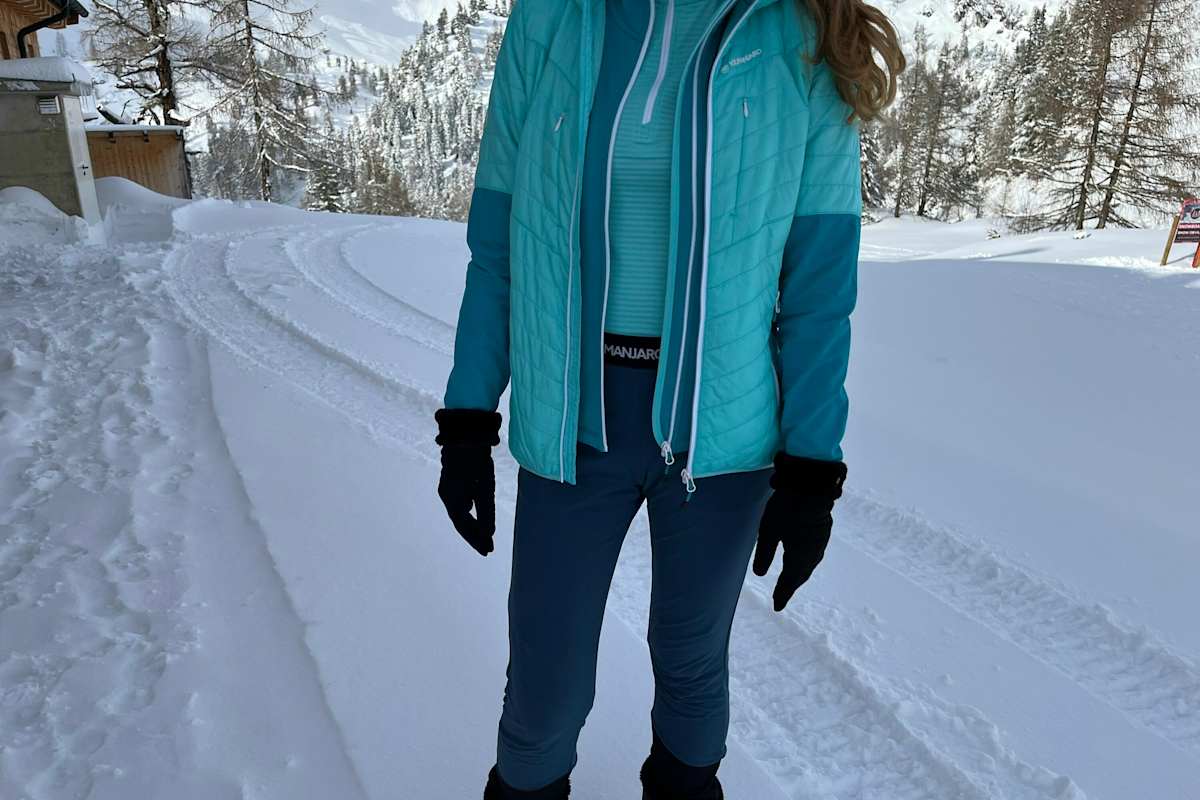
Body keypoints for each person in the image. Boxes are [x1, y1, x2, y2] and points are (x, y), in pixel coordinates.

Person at [434, 0, 904, 796]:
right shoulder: (555, 20)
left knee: (691, 669)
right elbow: (500, 246)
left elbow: (820, 291)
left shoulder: (806, 38)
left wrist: (811, 469)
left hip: (724, 440)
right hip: (571, 425)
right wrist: (470, 419)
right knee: (545, 692)